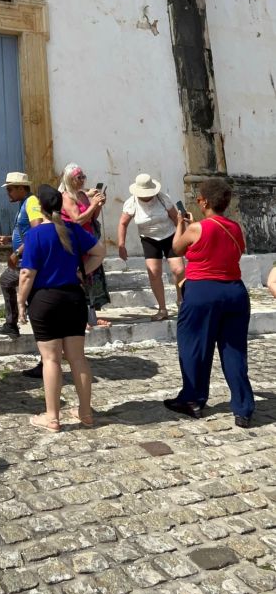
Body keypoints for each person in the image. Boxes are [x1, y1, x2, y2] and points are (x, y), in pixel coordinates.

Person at [17, 184, 106, 432]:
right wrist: (81, 273)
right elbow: (99, 252)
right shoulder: (73, 229)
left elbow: (27, 273)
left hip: (45, 300)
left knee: (51, 360)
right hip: (73, 298)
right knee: (78, 358)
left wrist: (20, 302)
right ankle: (86, 412)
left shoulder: (35, 235)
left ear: (41, 208)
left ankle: (52, 417)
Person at [165, 178, 253, 427]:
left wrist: (180, 224)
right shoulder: (235, 228)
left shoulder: (196, 228)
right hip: (235, 291)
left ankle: (192, 399)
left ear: (203, 201)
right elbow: (236, 251)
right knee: (234, 351)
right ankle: (243, 409)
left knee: (194, 347)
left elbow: (177, 248)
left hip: (202, 292)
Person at [117, 172, 185, 320]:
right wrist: (121, 244)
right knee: (154, 272)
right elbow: (123, 223)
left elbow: (176, 218)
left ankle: (181, 300)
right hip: (149, 239)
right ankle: (162, 309)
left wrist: (183, 238)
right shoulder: (131, 203)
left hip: (170, 235)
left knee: (179, 269)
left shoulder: (162, 198)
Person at [59, 164, 110, 326]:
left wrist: (98, 205)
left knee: (89, 280)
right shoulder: (67, 197)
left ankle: (90, 317)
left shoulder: (81, 194)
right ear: (69, 179)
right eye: (78, 177)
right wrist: (93, 205)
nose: (82, 180)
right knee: (78, 280)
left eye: (83, 177)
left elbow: (91, 217)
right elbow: (77, 220)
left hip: (87, 239)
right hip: (74, 241)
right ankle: (79, 317)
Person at [0, 172, 43, 340]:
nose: (8, 193)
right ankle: (13, 323)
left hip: (27, 259)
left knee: (8, 281)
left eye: (10, 189)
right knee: (10, 282)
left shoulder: (32, 202)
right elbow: (26, 231)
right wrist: (9, 238)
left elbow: (37, 231)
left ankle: (13, 323)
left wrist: (17, 252)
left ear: (21, 188)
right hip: (24, 258)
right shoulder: (24, 203)